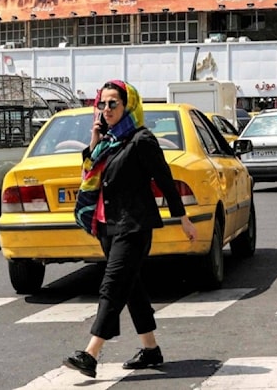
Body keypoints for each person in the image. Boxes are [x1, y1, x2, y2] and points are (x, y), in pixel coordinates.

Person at [63, 80, 197, 379]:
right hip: (107, 226)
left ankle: (90, 353)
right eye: (103, 104)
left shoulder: (141, 140)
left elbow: (164, 178)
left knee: (112, 286)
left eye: (113, 104)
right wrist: (94, 137)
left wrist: (182, 217)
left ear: (128, 107)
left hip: (134, 225)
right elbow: (89, 173)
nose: (107, 109)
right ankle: (151, 349)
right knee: (131, 287)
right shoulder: (108, 142)